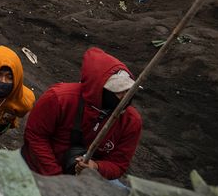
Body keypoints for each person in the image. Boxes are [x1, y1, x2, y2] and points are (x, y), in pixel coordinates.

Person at [22, 47, 142, 181]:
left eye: (129, 90)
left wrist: (96, 167)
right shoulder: (59, 98)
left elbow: (119, 164)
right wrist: (56, 178)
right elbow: (35, 137)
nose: (126, 98)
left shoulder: (131, 121)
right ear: (98, 88)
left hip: (87, 179)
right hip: (42, 169)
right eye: (119, 91)